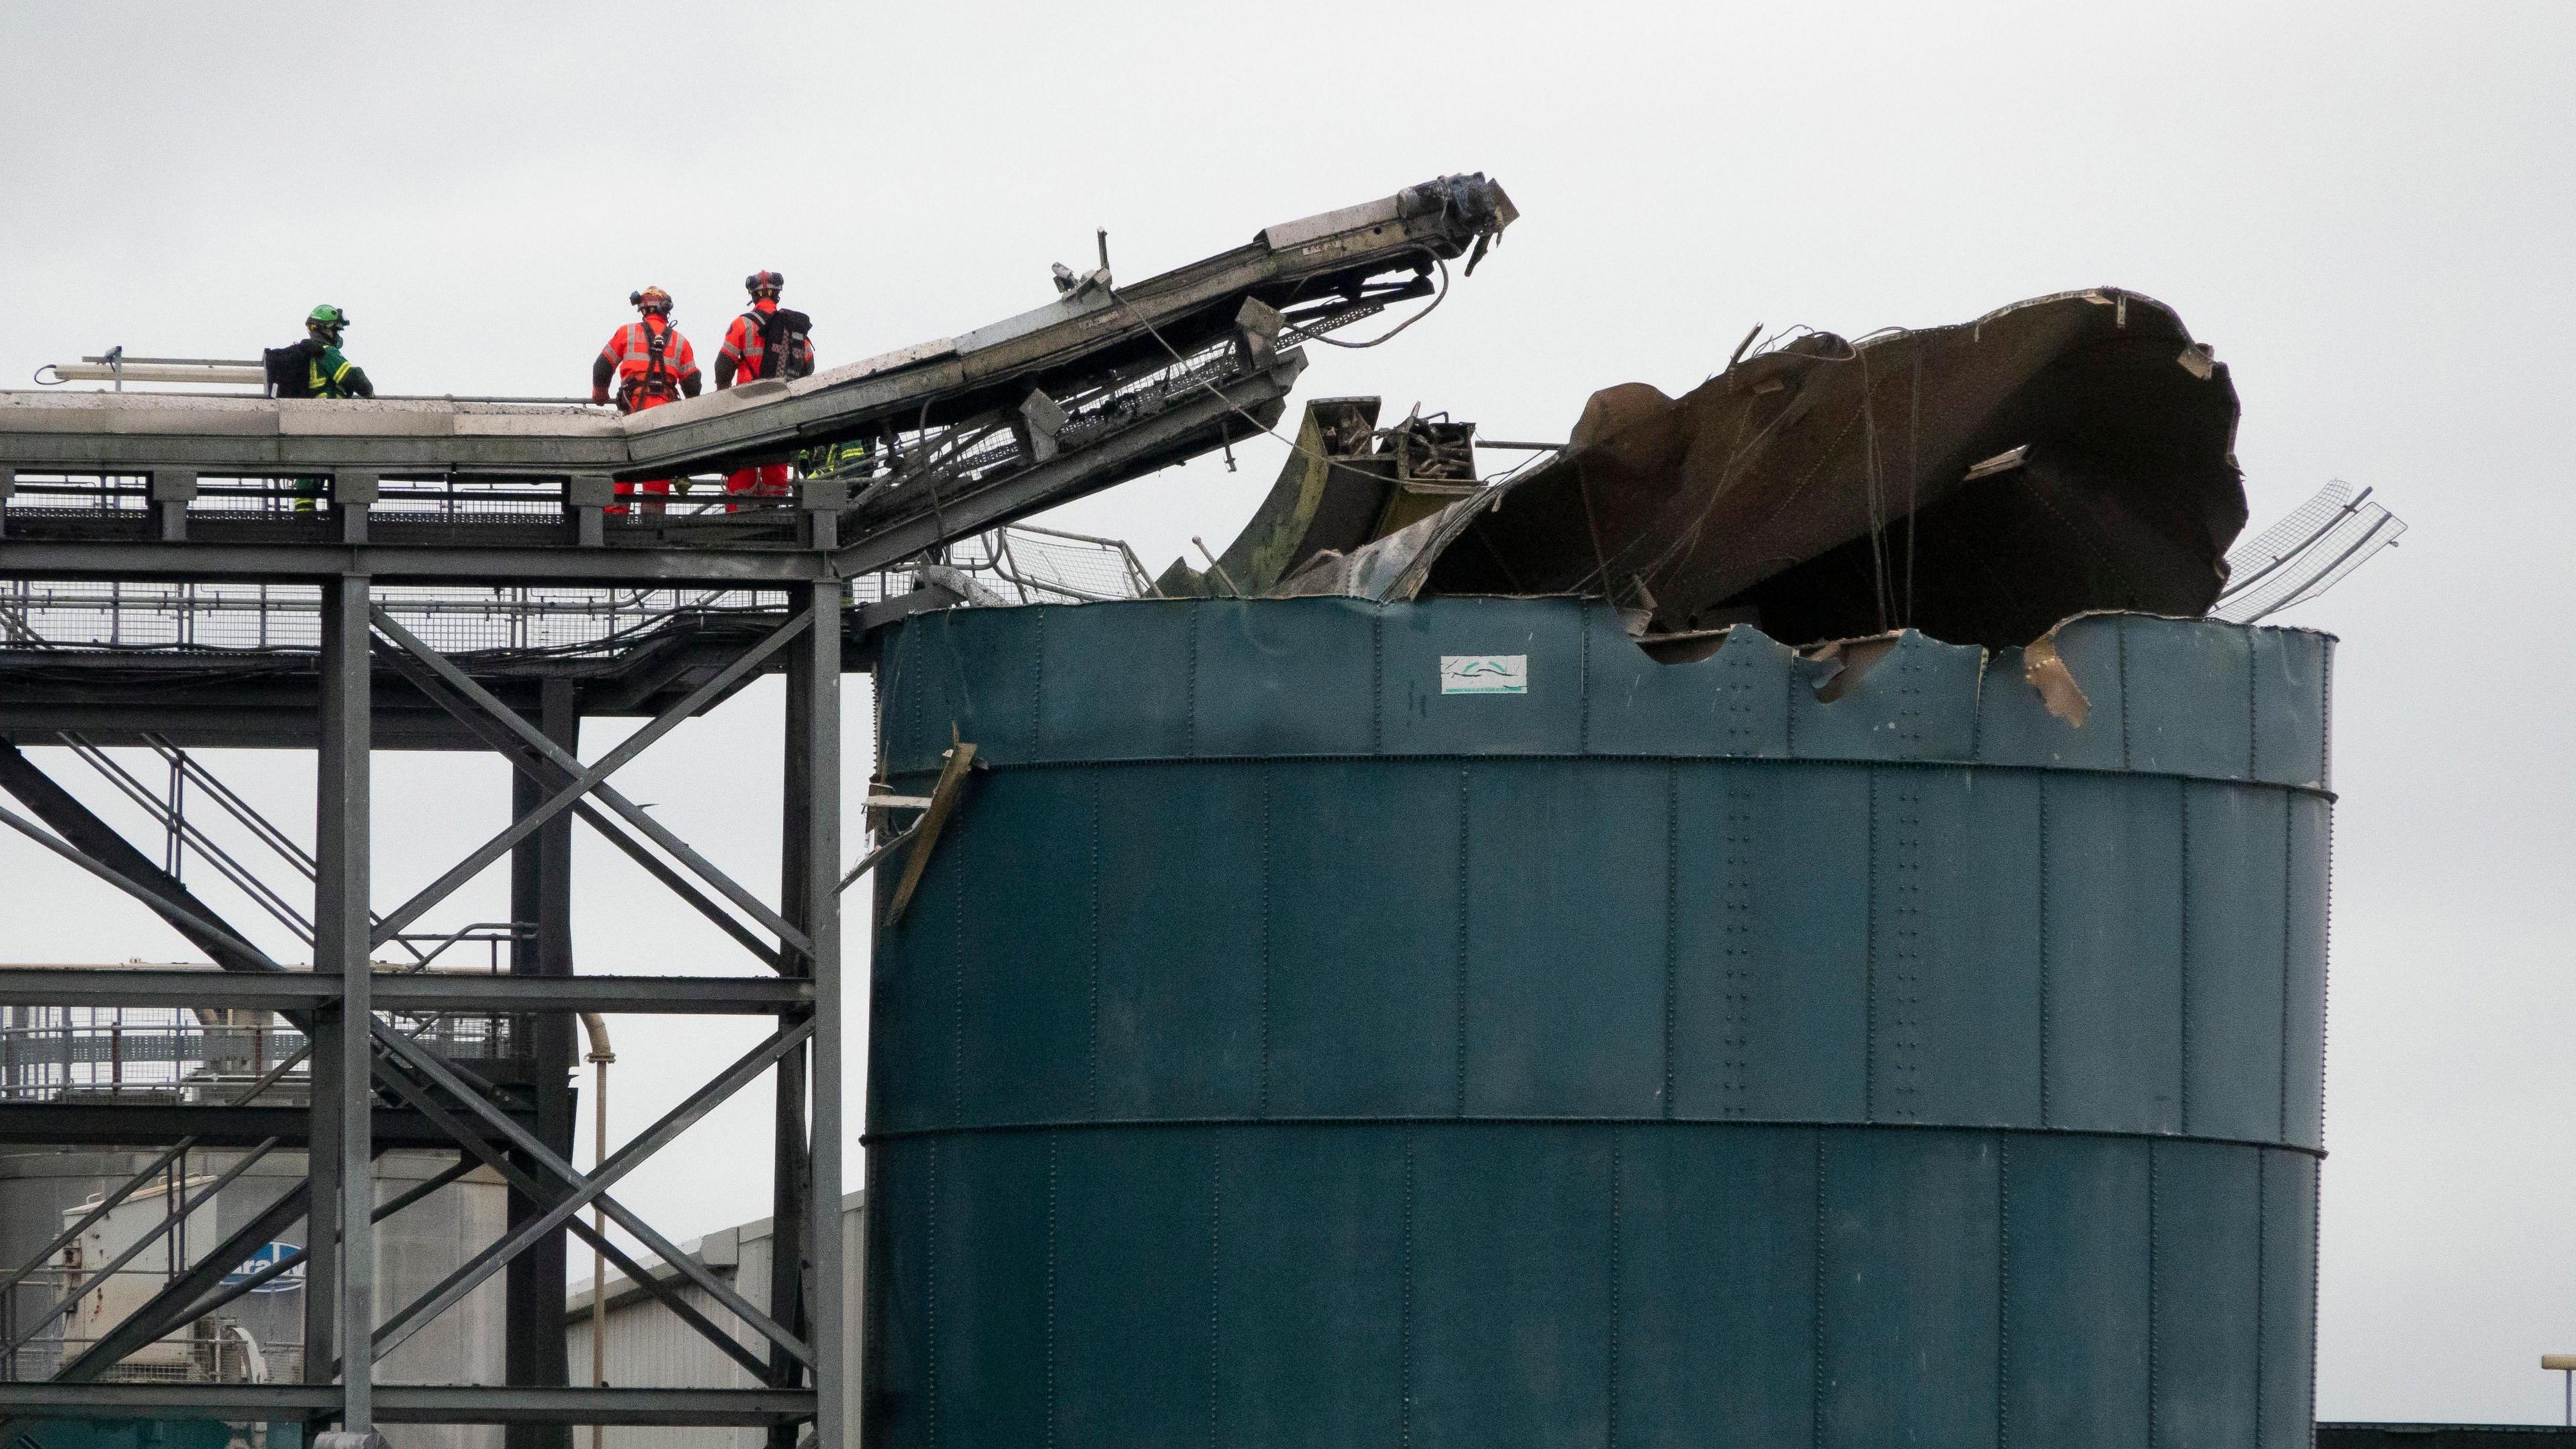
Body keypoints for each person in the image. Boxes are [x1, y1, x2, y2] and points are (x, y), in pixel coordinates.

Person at [590, 287, 702, 515]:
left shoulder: (626, 333)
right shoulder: (681, 342)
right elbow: (692, 385)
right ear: (666, 310)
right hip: (663, 419)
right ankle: (652, 530)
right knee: (657, 475)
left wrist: (600, 393)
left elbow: (602, 366)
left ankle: (614, 528)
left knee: (623, 470)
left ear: (642, 309)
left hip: (631, 415)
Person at [713, 271, 814, 507]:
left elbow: (723, 368)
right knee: (775, 471)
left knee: (742, 468)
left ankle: (738, 522)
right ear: (778, 294)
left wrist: (723, 402)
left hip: (745, 410)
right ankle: (774, 521)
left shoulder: (742, 325)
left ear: (752, 294)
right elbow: (808, 367)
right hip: (780, 412)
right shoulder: (794, 327)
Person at [263, 305, 374, 512]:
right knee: (344, 482)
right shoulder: (326, 353)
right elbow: (356, 380)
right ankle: (341, 528)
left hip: (304, 429)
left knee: (307, 484)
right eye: (336, 330)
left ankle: (304, 528)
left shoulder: (306, 355)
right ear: (326, 330)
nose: (337, 335)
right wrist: (369, 391)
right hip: (332, 429)